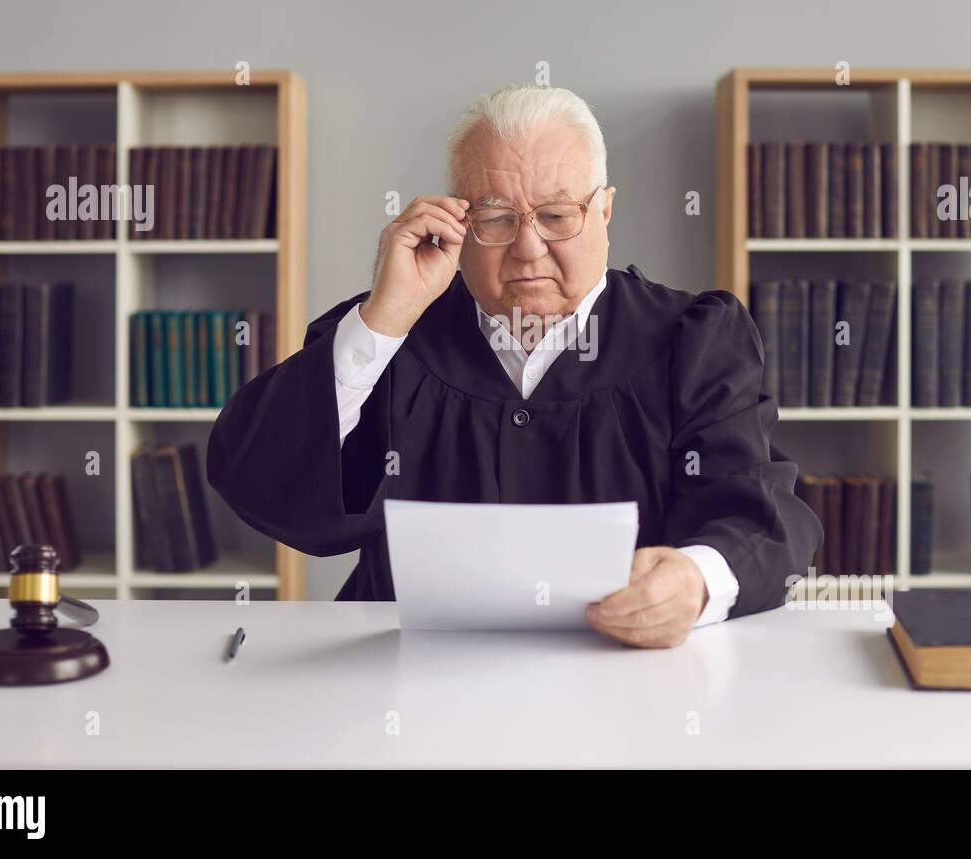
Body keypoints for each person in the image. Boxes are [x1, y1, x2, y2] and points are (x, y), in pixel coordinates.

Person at [207, 83, 822, 647]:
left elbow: (762, 515)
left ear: (604, 212)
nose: (530, 249)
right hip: (405, 683)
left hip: (622, 676)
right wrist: (384, 316)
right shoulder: (395, 333)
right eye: (498, 218)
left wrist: (695, 580)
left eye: (557, 216)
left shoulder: (694, 341)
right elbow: (264, 483)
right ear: (458, 223)